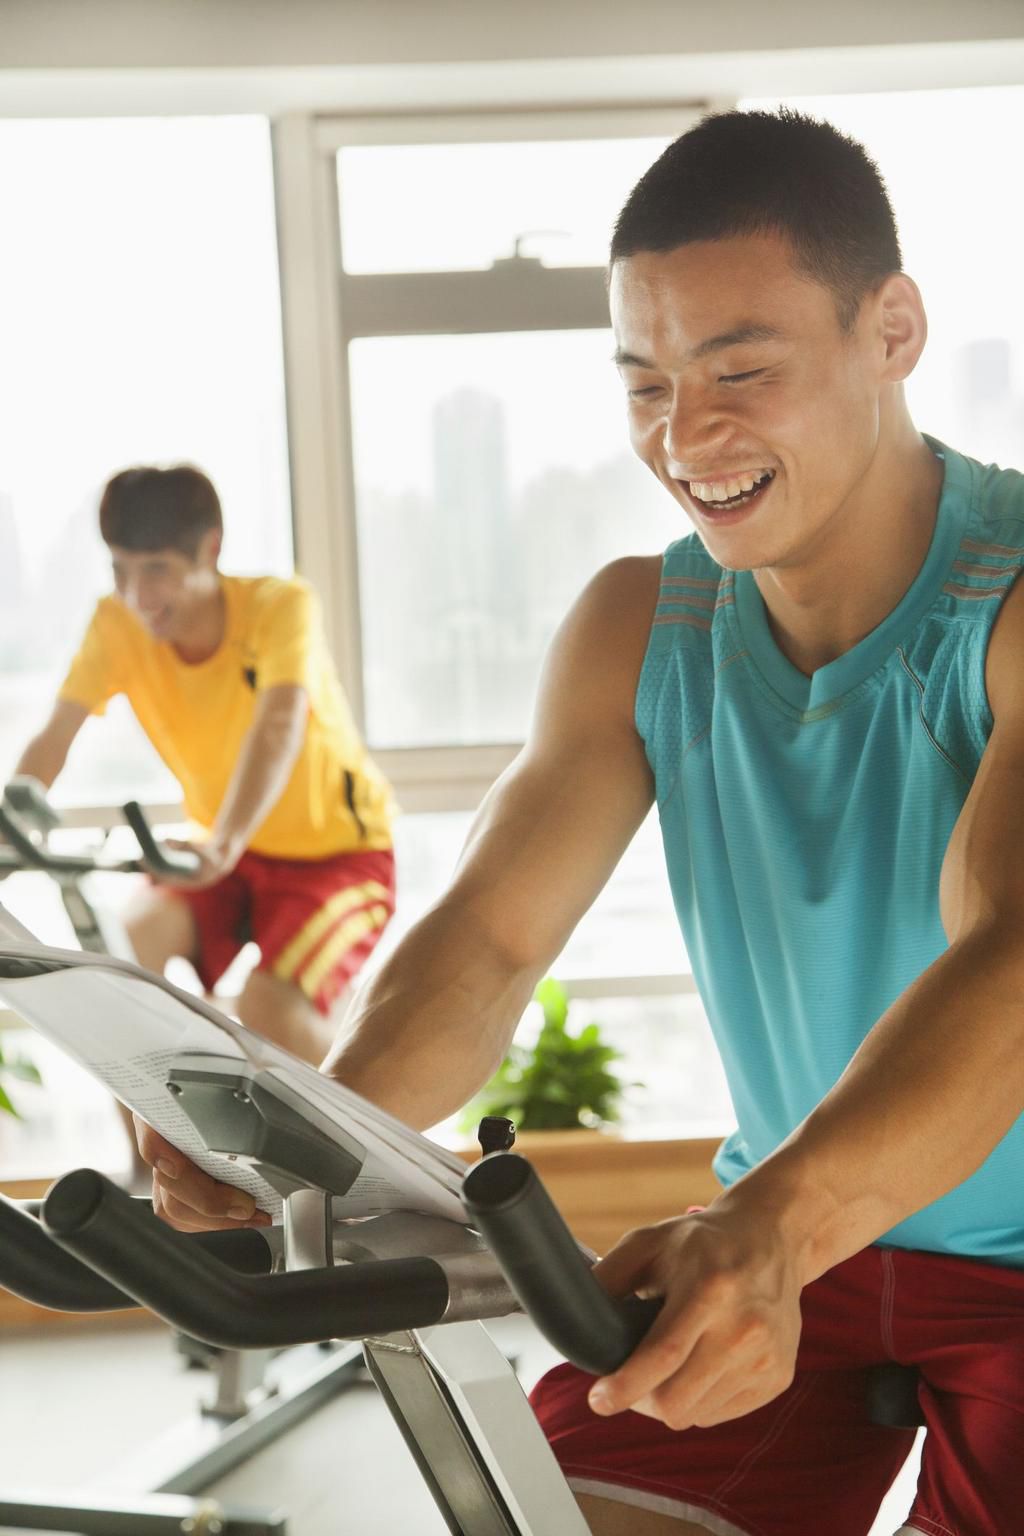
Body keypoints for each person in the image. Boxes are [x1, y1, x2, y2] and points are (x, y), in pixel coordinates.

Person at [136, 110, 1024, 1535]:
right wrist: (311, 1139)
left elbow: (1012, 965)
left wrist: (782, 1227)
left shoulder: (1011, 603)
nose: (689, 436)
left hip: (856, 1231)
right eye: (647, 384)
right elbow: (487, 942)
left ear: (895, 329)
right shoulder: (639, 624)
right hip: (789, 1236)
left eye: (743, 370)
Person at [15, 465, 395, 1070]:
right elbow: (56, 735)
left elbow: (277, 726)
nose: (138, 597)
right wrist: (14, 817)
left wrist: (225, 840)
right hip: (225, 854)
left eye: (157, 569)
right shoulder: (116, 624)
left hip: (338, 858)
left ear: (210, 549)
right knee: (123, 957)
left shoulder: (279, 606)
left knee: (265, 1005)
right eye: (121, 569)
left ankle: (361, 1146)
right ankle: (157, 1163)